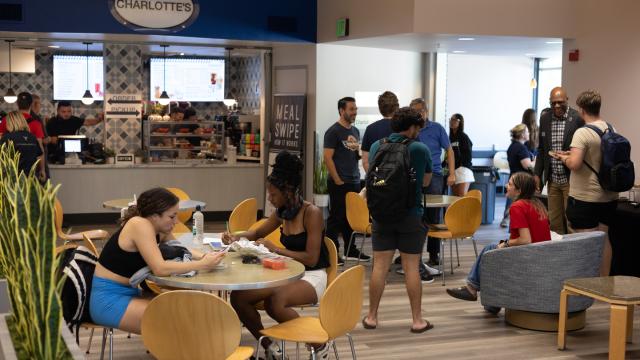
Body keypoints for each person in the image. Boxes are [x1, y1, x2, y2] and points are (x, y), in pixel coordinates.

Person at [225, 151, 331, 359]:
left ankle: (318, 344)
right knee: (239, 297)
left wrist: (275, 249)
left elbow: (311, 258)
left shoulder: (312, 213)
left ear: (288, 191)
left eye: (273, 195)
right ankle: (268, 344)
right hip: (288, 272)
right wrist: (234, 237)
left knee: (275, 302)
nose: (270, 199)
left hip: (312, 275)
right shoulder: (282, 212)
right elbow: (256, 233)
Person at [90, 188, 226, 334]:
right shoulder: (139, 224)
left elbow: (179, 247)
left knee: (185, 312)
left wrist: (206, 257)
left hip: (129, 292)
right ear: (155, 216)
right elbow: (160, 268)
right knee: (177, 321)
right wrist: (202, 264)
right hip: (108, 300)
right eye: (172, 216)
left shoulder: (157, 227)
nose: (177, 221)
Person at [362, 107, 435, 333]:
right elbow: (425, 182)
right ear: (412, 127)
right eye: (418, 128)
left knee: (380, 266)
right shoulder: (420, 149)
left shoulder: (376, 146)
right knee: (411, 268)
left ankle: (372, 317)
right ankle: (417, 320)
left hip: (381, 214)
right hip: (410, 215)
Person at [446, 172, 551, 310]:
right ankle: (489, 302)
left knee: (490, 250)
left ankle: (473, 289)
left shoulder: (517, 206)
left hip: (528, 256)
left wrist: (506, 244)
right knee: (493, 250)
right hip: (542, 256)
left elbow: (525, 239)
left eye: (510, 184)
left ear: (519, 190)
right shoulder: (538, 205)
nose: (506, 186)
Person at [552, 90, 618, 276]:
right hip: (609, 196)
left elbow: (574, 164)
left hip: (586, 198)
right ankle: (603, 281)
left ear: (581, 110)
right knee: (604, 239)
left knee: (584, 241)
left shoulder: (582, 132)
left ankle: (585, 285)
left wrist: (563, 158)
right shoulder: (611, 128)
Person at [323, 97, 370, 264]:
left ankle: (351, 249)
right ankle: (331, 252)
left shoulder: (355, 131)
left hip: (354, 180)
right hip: (339, 182)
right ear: (342, 111)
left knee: (352, 217)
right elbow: (327, 158)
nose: (355, 112)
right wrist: (337, 180)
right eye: (351, 109)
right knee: (336, 217)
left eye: (355, 109)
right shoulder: (333, 132)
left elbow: (355, 154)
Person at [534, 87, 584, 234]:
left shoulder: (577, 118)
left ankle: (573, 255)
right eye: (553, 102)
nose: (556, 106)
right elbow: (542, 149)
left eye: (560, 102)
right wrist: (537, 174)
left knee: (571, 222)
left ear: (567, 100)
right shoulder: (545, 118)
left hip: (571, 180)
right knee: (554, 223)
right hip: (553, 180)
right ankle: (559, 255)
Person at [411, 98, 455, 267]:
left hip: (435, 176)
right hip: (413, 177)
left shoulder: (437, 128)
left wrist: (451, 174)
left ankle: (434, 254)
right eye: (415, 111)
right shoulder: (410, 128)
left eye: (421, 110)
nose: (418, 114)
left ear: (426, 111)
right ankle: (412, 253)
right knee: (414, 215)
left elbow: (449, 150)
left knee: (434, 216)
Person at [500, 124, 534, 227]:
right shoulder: (521, 148)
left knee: (511, 201)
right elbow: (527, 166)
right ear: (523, 134)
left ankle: (507, 220)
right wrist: (536, 161)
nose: (529, 133)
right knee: (517, 203)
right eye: (527, 132)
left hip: (513, 177)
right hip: (520, 181)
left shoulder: (512, 146)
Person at [0, 111, 45, 182]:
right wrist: (42, 170)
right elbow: (40, 156)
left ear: (9, 123)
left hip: (14, 179)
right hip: (31, 178)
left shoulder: (7, 137)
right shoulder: (32, 137)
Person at [361, 91, 398, 172]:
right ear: (397, 107)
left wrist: (374, 181)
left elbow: (365, 162)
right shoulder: (406, 127)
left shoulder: (370, 129)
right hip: (401, 181)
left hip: (378, 180)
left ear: (380, 108)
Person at [448, 113, 474, 196]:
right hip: (453, 170)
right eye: (451, 119)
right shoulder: (450, 138)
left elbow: (468, 155)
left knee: (461, 197)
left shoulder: (464, 137)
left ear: (460, 122)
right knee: (455, 199)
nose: (452, 122)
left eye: (455, 120)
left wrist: (461, 164)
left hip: (463, 169)